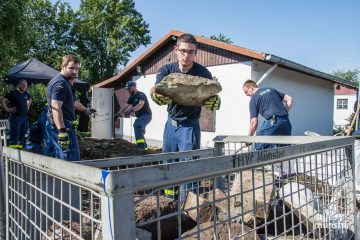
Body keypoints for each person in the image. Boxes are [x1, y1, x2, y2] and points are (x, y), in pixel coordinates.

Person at [150, 33, 221, 200]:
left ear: (196, 53)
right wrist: (154, 94)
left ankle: (186, 208)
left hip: (189, 126)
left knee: (188, 167)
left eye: (191, 52)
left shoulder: (202, 73)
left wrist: (215, 99)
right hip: (170, 125)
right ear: (175, 50)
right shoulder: (167, 70)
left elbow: (211, 94)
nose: (186, 56)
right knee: (168, 164)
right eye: (183, 51)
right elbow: (155, 88)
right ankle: (169, 201)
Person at [44, 54, 81, 161]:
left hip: (59, 123)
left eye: (77, 68)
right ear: (63, 66)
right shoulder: (61, 82)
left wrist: (86, 110)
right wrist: (62, 131)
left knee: (56, 156)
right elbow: (56, 107)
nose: (75, 71)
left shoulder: (65, 82)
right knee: (70, 157)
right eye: (71, 68)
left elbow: (74, 103)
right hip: (62, 124)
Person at [243, 79, 293, 150]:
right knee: (285, 151)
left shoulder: (253, 99)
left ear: (251, 88)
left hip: (273, 123)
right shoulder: (271, 89)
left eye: (246, 92)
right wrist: (284, 112)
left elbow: (254, 123)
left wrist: (249, 139)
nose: (246, 95)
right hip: (286, 122)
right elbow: (289, 99)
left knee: (258, 146)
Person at [117, 81, 152, 150]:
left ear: (134, 87)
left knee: (137, 125)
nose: (128, 90)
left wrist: (131, 111)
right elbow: (125, 106)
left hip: (146, 115)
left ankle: (141, 147)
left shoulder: (141, 95)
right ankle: (144, 146)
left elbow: (140, 105)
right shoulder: (132, 97)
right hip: (140, 117)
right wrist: (119, 113)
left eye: (129, 89)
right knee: (139, 129)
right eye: (127, 89)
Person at [1, 79, 32, 149]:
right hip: (15, 118)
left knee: (22, 137)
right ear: (19, 85)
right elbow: (2, 99)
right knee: (15, 138)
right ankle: (13, 156)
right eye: (23, 85)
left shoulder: (26, 93)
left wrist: (28, 106)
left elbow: (30, 99)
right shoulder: (13, 93)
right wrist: (7, 109)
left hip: (24, 118)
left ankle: (21, 152)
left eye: (26, 85)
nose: (25, 86)